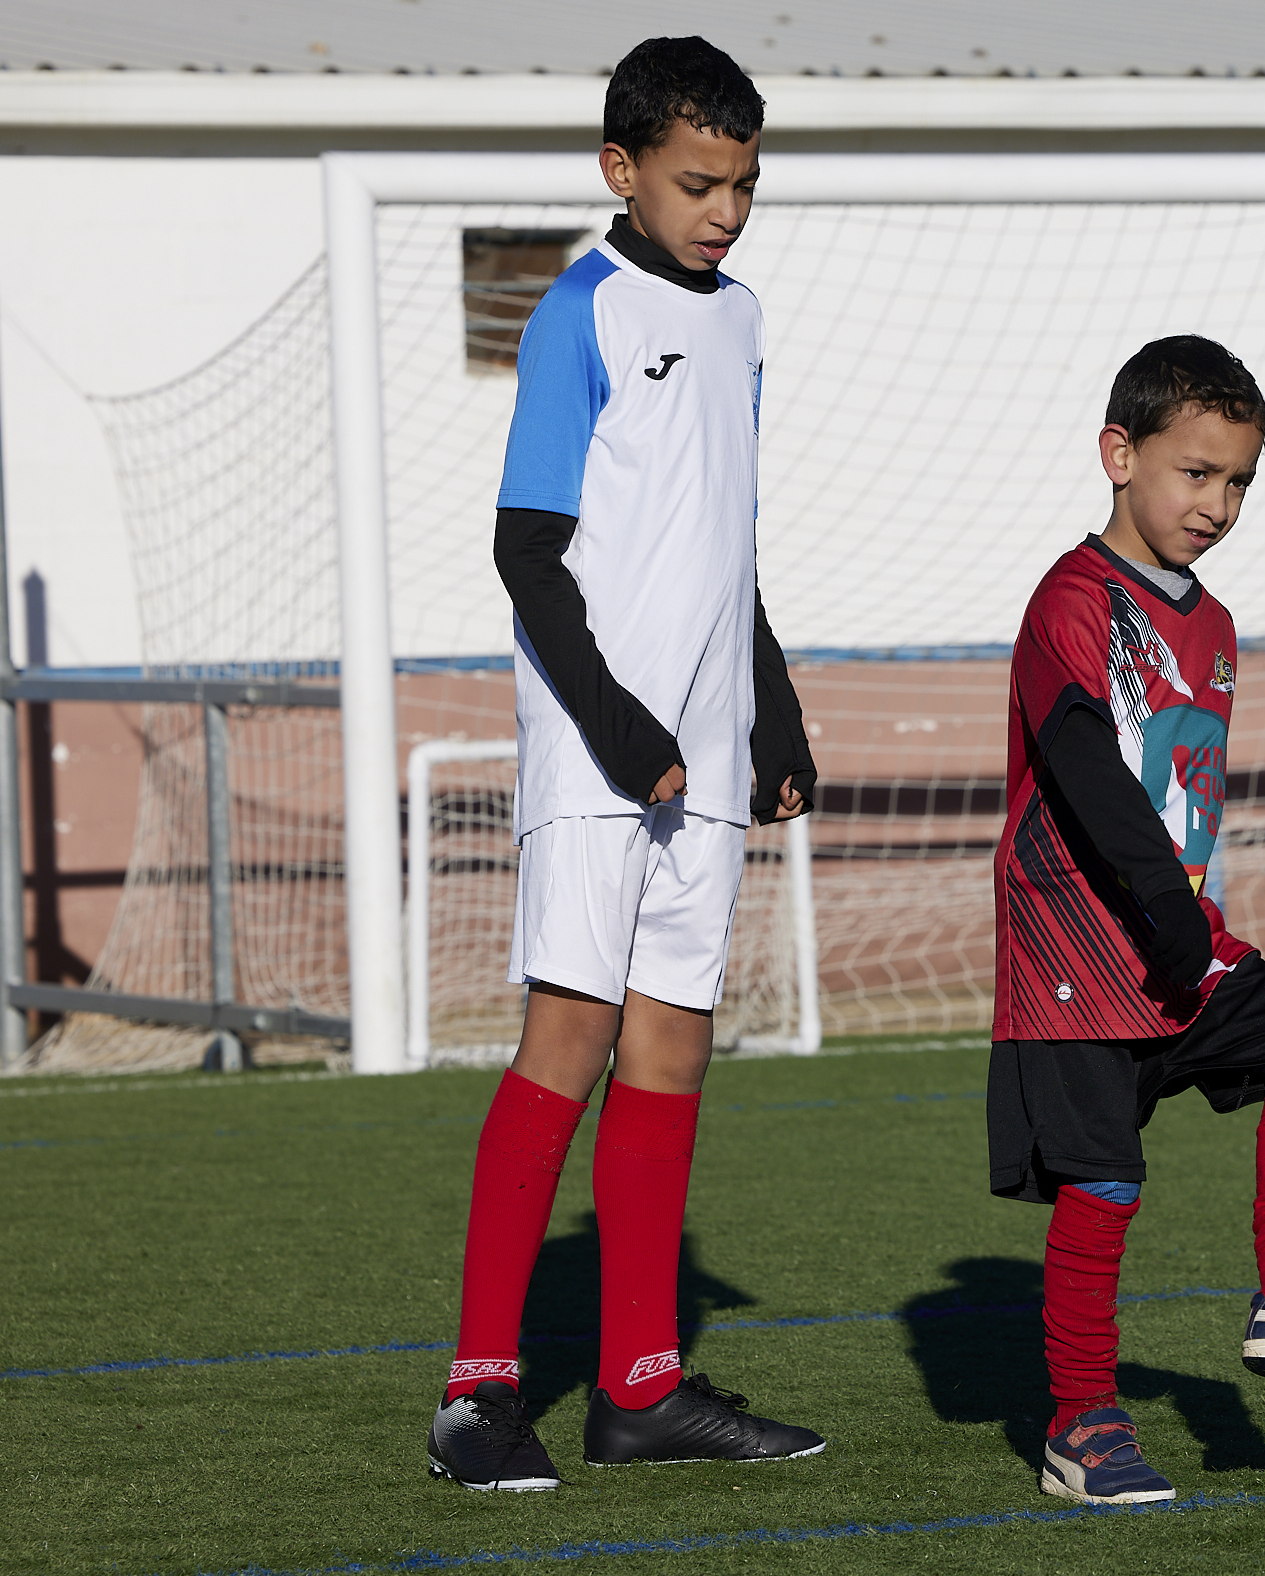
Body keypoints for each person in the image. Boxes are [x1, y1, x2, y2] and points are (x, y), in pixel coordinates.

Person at [425, 34, 822, 1493]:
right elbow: (527, 550)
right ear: (623, 169)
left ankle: (641, 1388)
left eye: (744, 184)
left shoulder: (743, 320)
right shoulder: (576, 313)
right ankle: (476, 1393)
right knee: (570, 1041)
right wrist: (616, 725)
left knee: (673, 1047)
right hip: (602, 754)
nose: (725, 210)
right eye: (698, 182)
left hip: (704, 756)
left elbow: (727, 540)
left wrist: (770, 711)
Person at [988, 335, 1265, 1507]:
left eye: (1237, 480)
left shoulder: (1217, 624)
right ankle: (1081, 1426)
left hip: (1179, 934)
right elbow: (1082, 762)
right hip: (1078, 945)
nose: (1217, 503)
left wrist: (1184, 913)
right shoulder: (1073, 600)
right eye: (1194, 473)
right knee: (1104, 1183)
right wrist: (1160, 901)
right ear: (1118, 455)